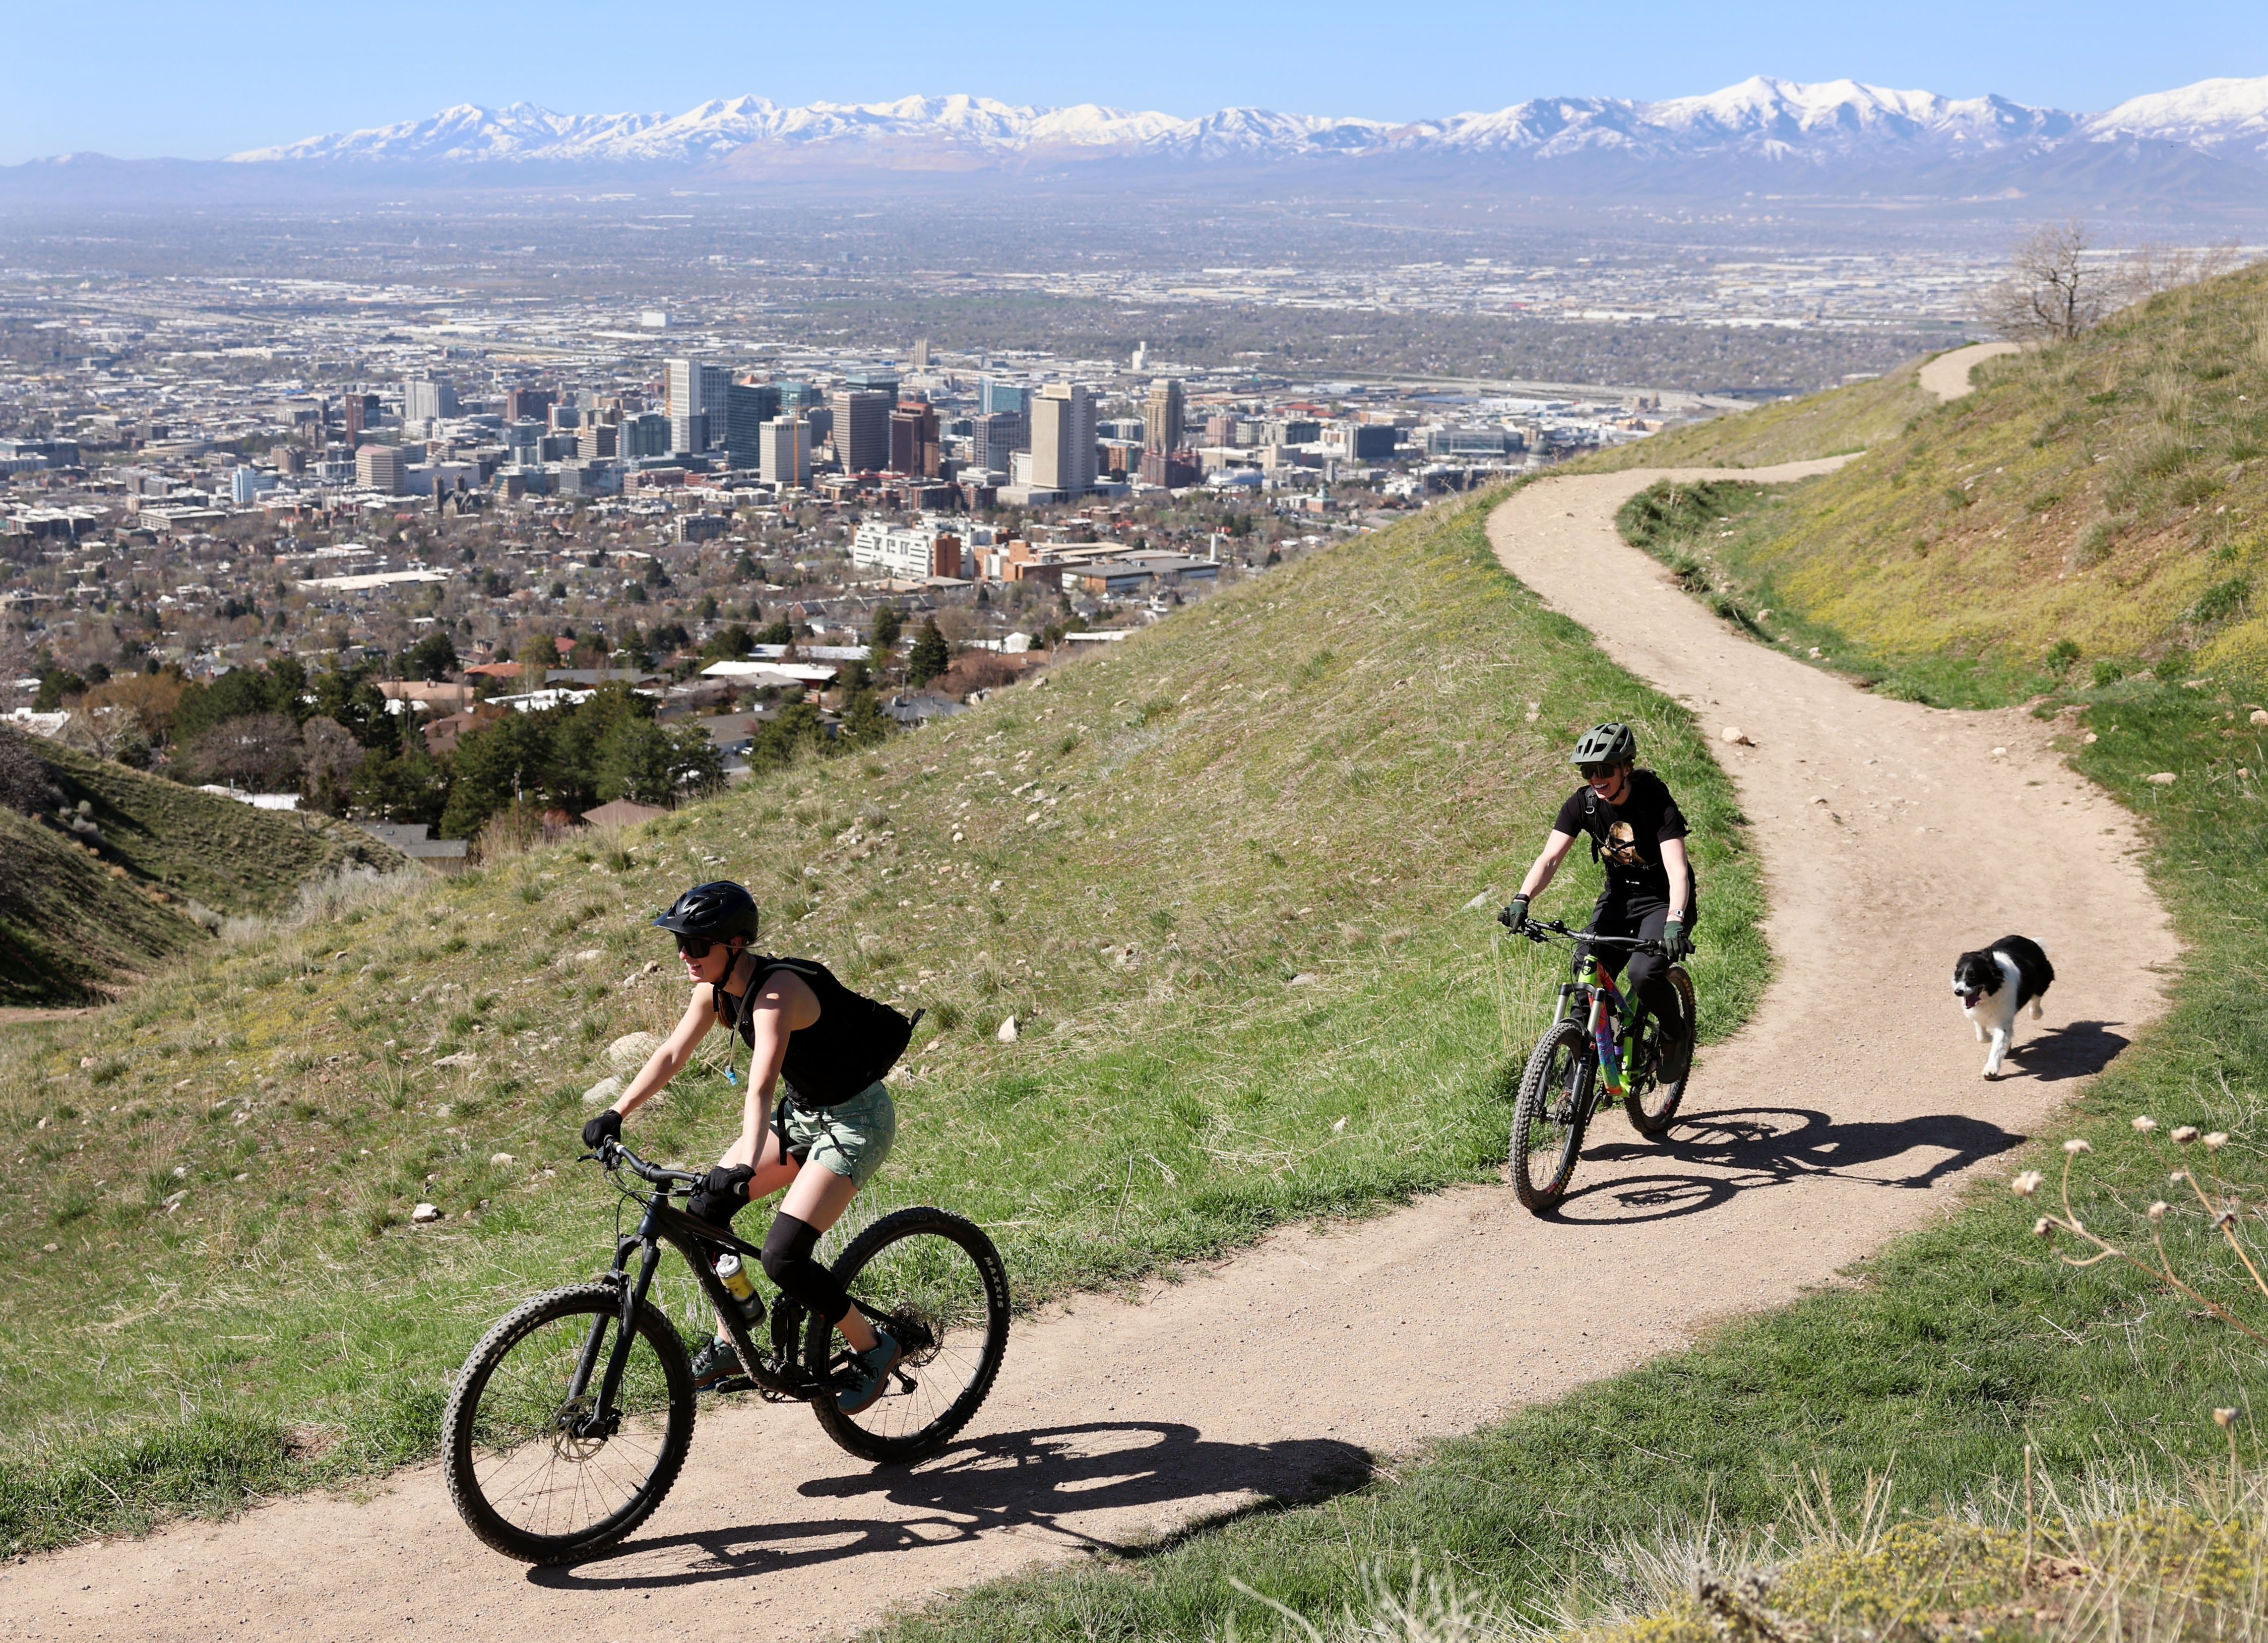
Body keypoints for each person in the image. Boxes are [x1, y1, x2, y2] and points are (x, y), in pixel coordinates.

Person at [579, 880, 903, 1413]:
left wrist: (747, 1162)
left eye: (697, 945)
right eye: (679, 943)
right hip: (803, 1116)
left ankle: (874, 1345)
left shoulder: (776, 994)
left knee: (783, 1256)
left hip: (855, 1122)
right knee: (706, 1209)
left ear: (734, 944)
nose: (685, 955)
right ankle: (738, 1328)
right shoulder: (714, 988)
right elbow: (671, 1053)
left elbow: (760, 1085)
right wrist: (617, 1111)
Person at [1501, 723, 1695, 1084]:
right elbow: (1549, 860)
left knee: (1644, 973)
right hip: (1619, 899)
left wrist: (1675, 920)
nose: (1596, 778)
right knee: (1586, 967)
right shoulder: (1584, 804)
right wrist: (1521, 898)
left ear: (1626, 767)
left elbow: (1677, 868)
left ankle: (1674, 1033)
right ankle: (1576, 1081)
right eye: (1588, 771)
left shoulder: (1655, 801)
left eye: (1604, 770)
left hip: (1663, 899)